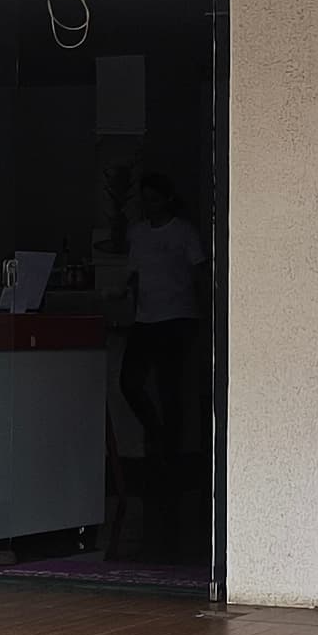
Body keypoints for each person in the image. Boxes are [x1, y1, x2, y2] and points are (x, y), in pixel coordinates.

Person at [119, 177, 208, 463]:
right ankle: (156, 432)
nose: (149, 205)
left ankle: (171, 453)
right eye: (145, 200)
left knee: (170, 387)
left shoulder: (184, 232)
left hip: (177, 317)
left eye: (154, 199)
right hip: (145, 318)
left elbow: (199, 272)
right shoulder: (138, 233)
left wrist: (203, 313)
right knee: (130, 382)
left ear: (168, 199)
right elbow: (133, 274)